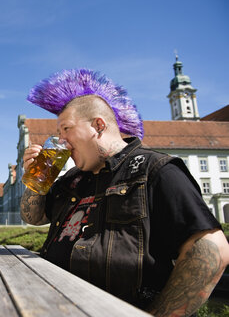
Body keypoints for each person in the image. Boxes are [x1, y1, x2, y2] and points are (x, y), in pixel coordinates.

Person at [20, 69, 229, 316]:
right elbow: (33, 218)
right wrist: (38, 179)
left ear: (98, 125)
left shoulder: (155, 170)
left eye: (66, 129)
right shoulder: (72, 178)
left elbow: (211, 250)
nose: (61, 140)